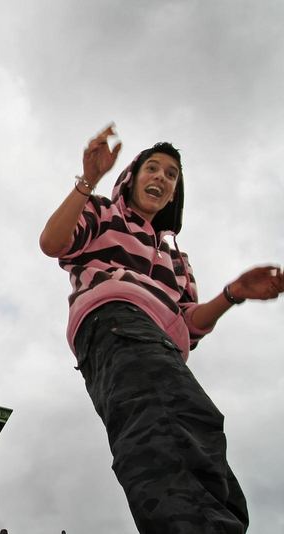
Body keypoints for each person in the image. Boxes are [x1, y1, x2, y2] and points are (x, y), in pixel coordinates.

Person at [39, 124, 284, 532]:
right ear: (132, 177)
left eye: (171, 175)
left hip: (163, 345)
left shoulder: (178, 260)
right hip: (115, 321)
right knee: (159, 426)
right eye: (153, 168)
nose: (161, 178)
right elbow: (52, 242)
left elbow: (191, 324)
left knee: (200, 426)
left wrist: (233, 292)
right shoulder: (103, 213)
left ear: (175, 193)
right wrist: (88, 180)